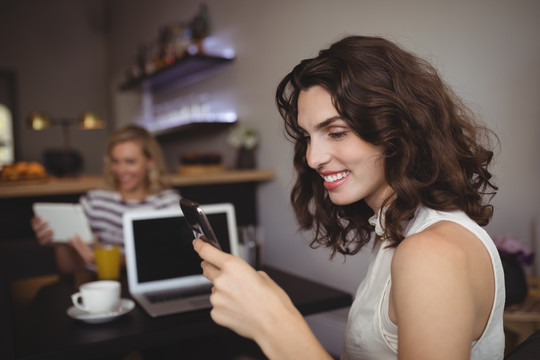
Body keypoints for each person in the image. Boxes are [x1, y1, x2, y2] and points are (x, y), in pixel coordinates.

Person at [193, 35, 504, 360]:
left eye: (337, 132)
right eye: (307, 137)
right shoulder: (400, 230)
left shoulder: (431, 253)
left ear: (397, 129)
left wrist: (272, 322)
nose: (313, 158)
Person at [31, 124, 180, 276]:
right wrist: (59, 241)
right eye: (115, 161)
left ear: (150, 162)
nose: (120, 170)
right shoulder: (94, 201)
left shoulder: (168, 203)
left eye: (130, 162)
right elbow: (68, 269)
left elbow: (169, 260)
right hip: (98, 284)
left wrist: (107, 259)